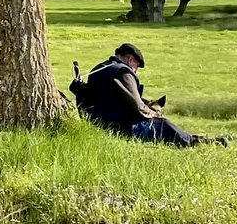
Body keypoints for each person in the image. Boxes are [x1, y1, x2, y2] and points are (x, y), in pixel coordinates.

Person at [72, 43, 227, 147]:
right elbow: (138, 108)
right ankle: (201, 142)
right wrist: (154, 114)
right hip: (119, 127)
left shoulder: (99, 68)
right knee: (164, 126)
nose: (136, 70)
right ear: (131, 60)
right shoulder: (123, 72)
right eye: (137, 66)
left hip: (99, 124)